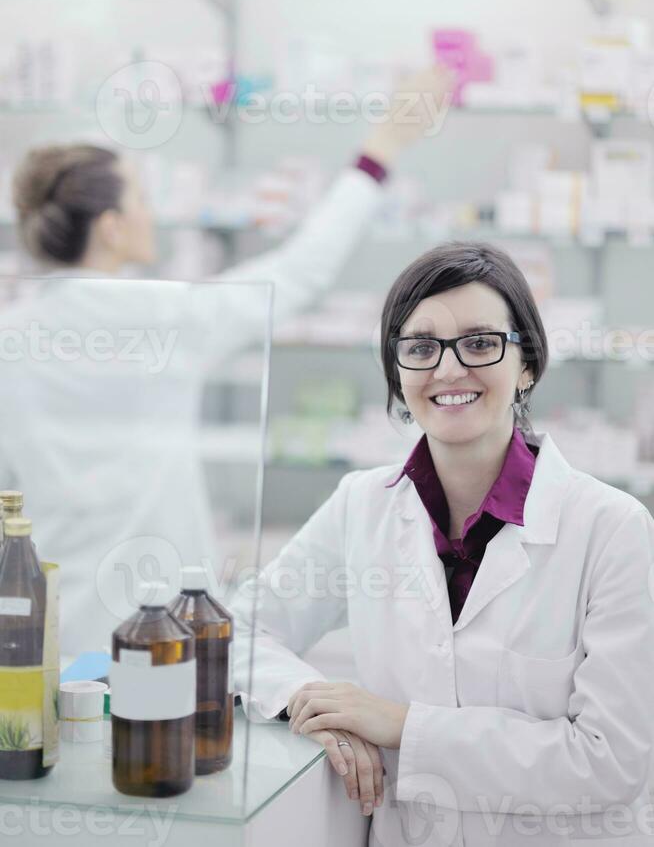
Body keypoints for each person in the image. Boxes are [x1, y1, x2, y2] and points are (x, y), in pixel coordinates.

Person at [0, 66, 453, 655]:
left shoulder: (14, 334)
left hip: (45, 624)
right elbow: (299, 272)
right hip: (155, 618)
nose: (150, 211)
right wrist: (381, 149)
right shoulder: (160, 317)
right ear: (111, 228)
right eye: (139, 196)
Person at [230, 241, 654, 846]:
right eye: (421, 347)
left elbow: (610, 762)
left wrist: (404, 727)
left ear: (527, 363)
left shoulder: (611, 528)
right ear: (398, 373)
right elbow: (240, 632)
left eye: (480, 343)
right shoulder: (363, 505)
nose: (448, 370)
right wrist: (312, 702)